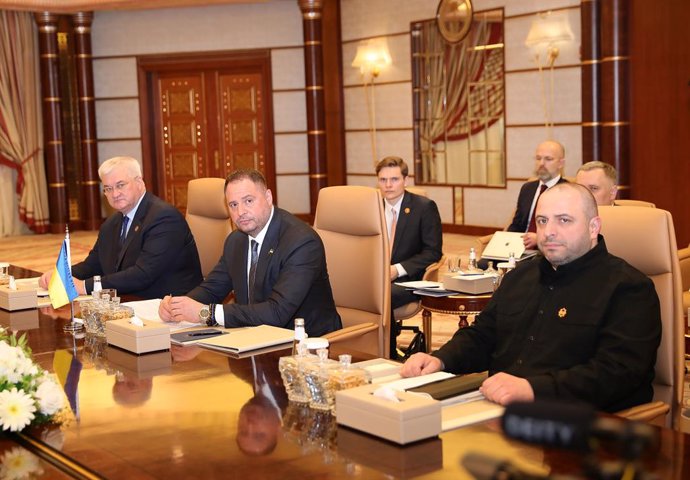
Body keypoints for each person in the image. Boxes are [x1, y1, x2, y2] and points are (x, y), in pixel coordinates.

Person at [401, 182, 661, 413]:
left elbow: (617, 373)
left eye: (564, 220)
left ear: (594, 227)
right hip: (499, 414)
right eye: (543, 221)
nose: (549, 232)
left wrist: (533, 388)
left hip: (582, 428)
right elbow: (483, 336)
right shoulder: (520, 275)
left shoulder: (628, 288)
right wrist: (441, 358)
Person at [158, 169, 341, 337]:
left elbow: (277, 312)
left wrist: (205, 314)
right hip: (253, 339)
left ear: (268, 197)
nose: (241, 212)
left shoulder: (301, 241)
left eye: (248, 201)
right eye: (233, 204)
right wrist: (177, 306)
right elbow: (212, 288)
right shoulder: (236, 241)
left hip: (305, 346)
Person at [39, 156, 202, 299]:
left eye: (120, 185)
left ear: (139, 182)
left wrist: (85, 287)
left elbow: (142, 274)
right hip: (130, 301)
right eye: (108, 189)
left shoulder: (164, 217)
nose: (115, 194)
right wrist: (62, 276)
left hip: (168, 306)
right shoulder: (111, 224)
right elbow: (93, 265)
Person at [376, 157, 443, 355]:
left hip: (410, 280)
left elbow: (433, 252)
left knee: (381, 295)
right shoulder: (373, 208)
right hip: (376, 277)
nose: (388, 185)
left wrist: (397, 270)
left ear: (405, 180)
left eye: (394, 179)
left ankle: (386, 353)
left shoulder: (424, 207)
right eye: (383, 180)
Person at [507, 140, 568, 249]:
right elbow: (517, 224)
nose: (541, 164)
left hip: (548, 249)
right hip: (520, 246)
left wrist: (539, 238)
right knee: (482, 264)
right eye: (538, 158)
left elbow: (567, 230)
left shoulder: (568, 191)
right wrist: (505, 242)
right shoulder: (527, 188)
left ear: (561, 163)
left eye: (548, 159)